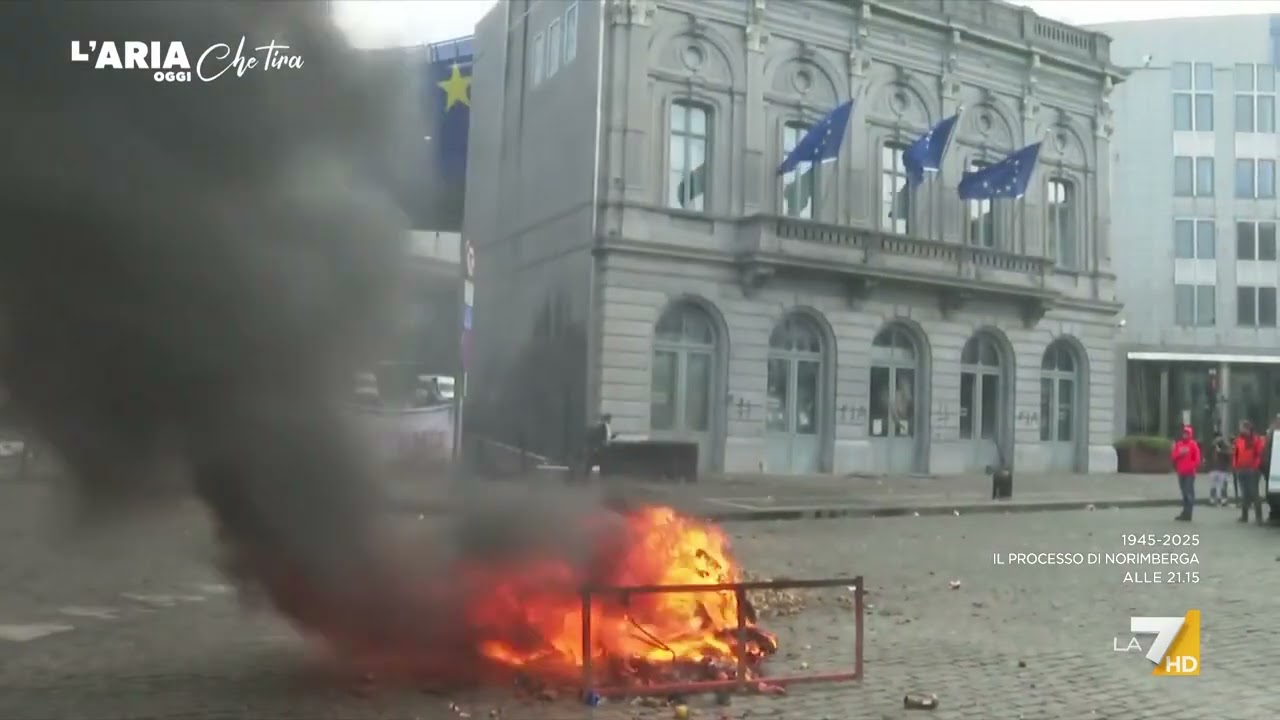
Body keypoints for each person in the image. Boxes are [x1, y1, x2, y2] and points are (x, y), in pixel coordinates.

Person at [1233, 420, 1267, 524]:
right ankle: (1244, 516)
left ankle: (1259, 517)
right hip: (1241, 469)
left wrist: (1255, 466)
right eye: (1241, 428)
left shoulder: (1256, 440)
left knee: (1254, 493)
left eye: (1243, 428)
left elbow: (1259, 454)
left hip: (1253, 470)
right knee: (1244, 493)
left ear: (1248, 429)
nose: (1242, 430)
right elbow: (1236, 454)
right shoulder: (1238, 440)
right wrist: (1235, 466)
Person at [1170, 425, 1201, 522]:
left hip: (1190, 473)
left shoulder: (1193, 445)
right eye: (1184, 433)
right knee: (1184, 493)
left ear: (1190, 434)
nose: (1185, 435)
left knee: (1189, 493)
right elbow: (1173, 457)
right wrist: (1180, 454)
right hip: (1181, 472)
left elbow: (1197, 459)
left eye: (1187, 433)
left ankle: (1188, 513)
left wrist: (1190, 467)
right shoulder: (1179, 444)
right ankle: (1184, 512)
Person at [1208, 429, 1233, 507]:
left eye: (1218, 437)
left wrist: (1221, 451)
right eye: (1216, 438)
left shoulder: (1225, 446)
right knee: (1213, 485)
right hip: (1213, 469)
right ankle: (1213, 499)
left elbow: (1229, 455)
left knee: (1223, 485)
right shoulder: (1212, 446)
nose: (1217, 439)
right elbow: (1207, 456)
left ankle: (1223, 499)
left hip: (1222, 469)